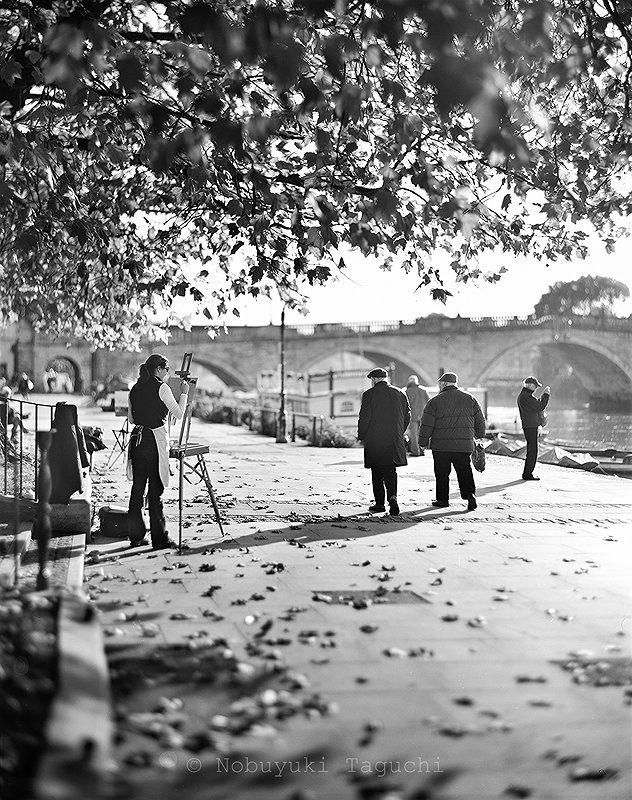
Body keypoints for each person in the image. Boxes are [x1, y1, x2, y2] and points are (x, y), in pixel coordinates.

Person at [127, 354, 189, 550]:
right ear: (158, 370)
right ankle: (159, 540)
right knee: (155, 491)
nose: (168, 374)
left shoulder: (135, 388)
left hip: (137, 440)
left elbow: (131, 419)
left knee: (137, 489)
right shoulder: (162, 388)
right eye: (167, 369)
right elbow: (179, 413)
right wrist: (185, 393)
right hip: (154, 442)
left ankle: (136, 536)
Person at [418, 371, 485, 511]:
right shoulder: (470, 399)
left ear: (443, 384)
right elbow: (480, 420)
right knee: (464, 470)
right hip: (463, 445)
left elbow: (427, 424)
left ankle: (443, 499)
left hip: (441, 446)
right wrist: (479, 435)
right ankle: (470, 495)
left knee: (442, 473)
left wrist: (423, 442)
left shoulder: (434, 402)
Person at [358, 367, 411, 515]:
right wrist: (399, 432)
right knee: (390, 470)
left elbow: (365, 417)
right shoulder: (400, 393)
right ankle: (393, 498)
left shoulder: (369, 394)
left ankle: (380, 503)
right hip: (393, 439)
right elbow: (408, 415)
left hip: (375, 440)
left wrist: (362, 435)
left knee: (377, 472)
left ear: (374, 380)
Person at [517, 376, 550, 481]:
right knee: (532, 451)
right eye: (535, 386)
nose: (536, 389)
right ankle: (527, 474)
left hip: (529, 426)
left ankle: (527, 473)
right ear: (531, 386)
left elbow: (536, 406)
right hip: (530, 426)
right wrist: (546, 395)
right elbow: (540, 406)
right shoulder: (526, 397)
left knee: (531, 450)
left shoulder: (524, 396)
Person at [404, 375, 429, 456]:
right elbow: (429, 402)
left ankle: (415, 451)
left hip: (412, 416)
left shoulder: (407, 391)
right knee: (421, 434)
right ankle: (422, 451)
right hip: (423, 415)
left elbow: (405, 405)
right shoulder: (423, 390)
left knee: (414, 435)